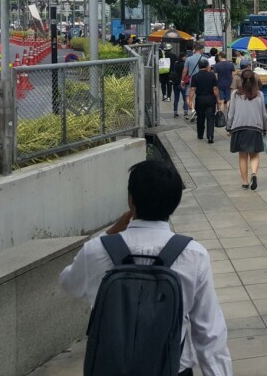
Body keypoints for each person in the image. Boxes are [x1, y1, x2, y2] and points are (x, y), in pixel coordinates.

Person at [58, 160, 232, 375]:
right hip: (172, 369)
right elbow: (209, 331)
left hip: (111, 368)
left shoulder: (96, 250)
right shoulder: (194, 254)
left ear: (131, 200)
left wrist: (109, 233)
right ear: (175, 203)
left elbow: (68, 283)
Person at [226, 69, 267, 191]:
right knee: (254, 155)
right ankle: (254, 174)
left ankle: (245, 182)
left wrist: (229, 127)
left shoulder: (235, 94)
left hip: (239, 128)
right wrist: (264, 128)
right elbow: (264, 115)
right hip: (255, 128)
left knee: (242, 156)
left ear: (241, 80)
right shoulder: (259, 94)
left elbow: (231, 113)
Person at [187, 58, 221, 143]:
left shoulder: (195, 76)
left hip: (200, 98)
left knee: (200, 117)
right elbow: (215, 88)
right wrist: (218, 99)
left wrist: (190, 100)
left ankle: (200, 134)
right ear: (207, 66)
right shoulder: (212, 75)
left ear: (198, 67)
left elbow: (192, 89)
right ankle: (210, 136)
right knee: (210, 118)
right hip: (210, 98)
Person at [181, 43, 204, 119]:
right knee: (200, 96)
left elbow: (184, 71)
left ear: (195, 50)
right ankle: (199, 111)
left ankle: (193, 110)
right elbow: (208, 70)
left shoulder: (188, 59)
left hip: (191, 80)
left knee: (188, 96)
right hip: (201, 80)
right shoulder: (204, 59)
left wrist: (182, 80)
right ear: (200, 50)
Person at [169, 47, 186, 118]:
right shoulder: (184, 65)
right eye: (185, 56)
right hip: (181, 83)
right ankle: (185, 111)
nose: (186, 57)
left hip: (175, 83)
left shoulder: (175, 64)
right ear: (182, 57)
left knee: (176, 98)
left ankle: (175, 112)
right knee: (185, 98)